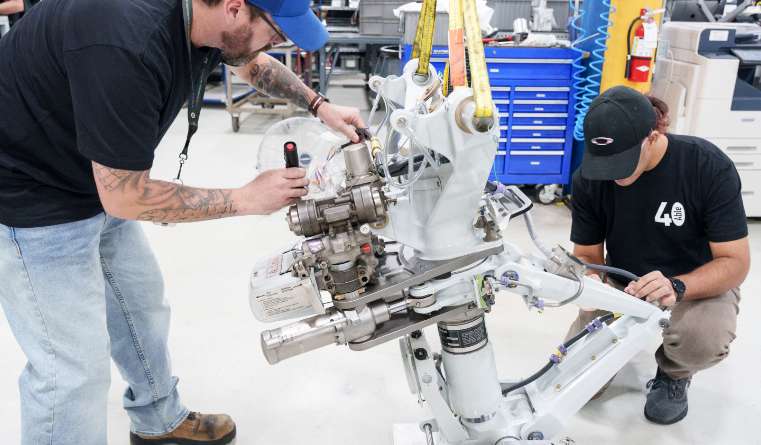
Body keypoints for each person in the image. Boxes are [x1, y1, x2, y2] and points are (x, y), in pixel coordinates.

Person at [0, 0, 365, 444]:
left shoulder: (206, 19)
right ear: (234, 9)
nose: (279, 42)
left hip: (93, 171)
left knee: (142, 309)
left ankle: (158, 420)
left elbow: (250, 60)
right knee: (71, 370)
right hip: (30, 192)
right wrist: (246, 198)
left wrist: (318, 105)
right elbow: (125, 196)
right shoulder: (125, 42)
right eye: (276, 30)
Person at [568, 86, 750, 425]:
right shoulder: (590, 179)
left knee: (702, 339)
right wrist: (589, 283)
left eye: (622, 162)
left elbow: (735, 263)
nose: (612, 174)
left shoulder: (706, 167)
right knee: (578, 384)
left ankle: (673, 373)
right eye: (604, 162)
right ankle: (611, 349)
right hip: (624, 285)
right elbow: (587, 254)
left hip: (693, 284)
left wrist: (677, 287)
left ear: (652, 137)